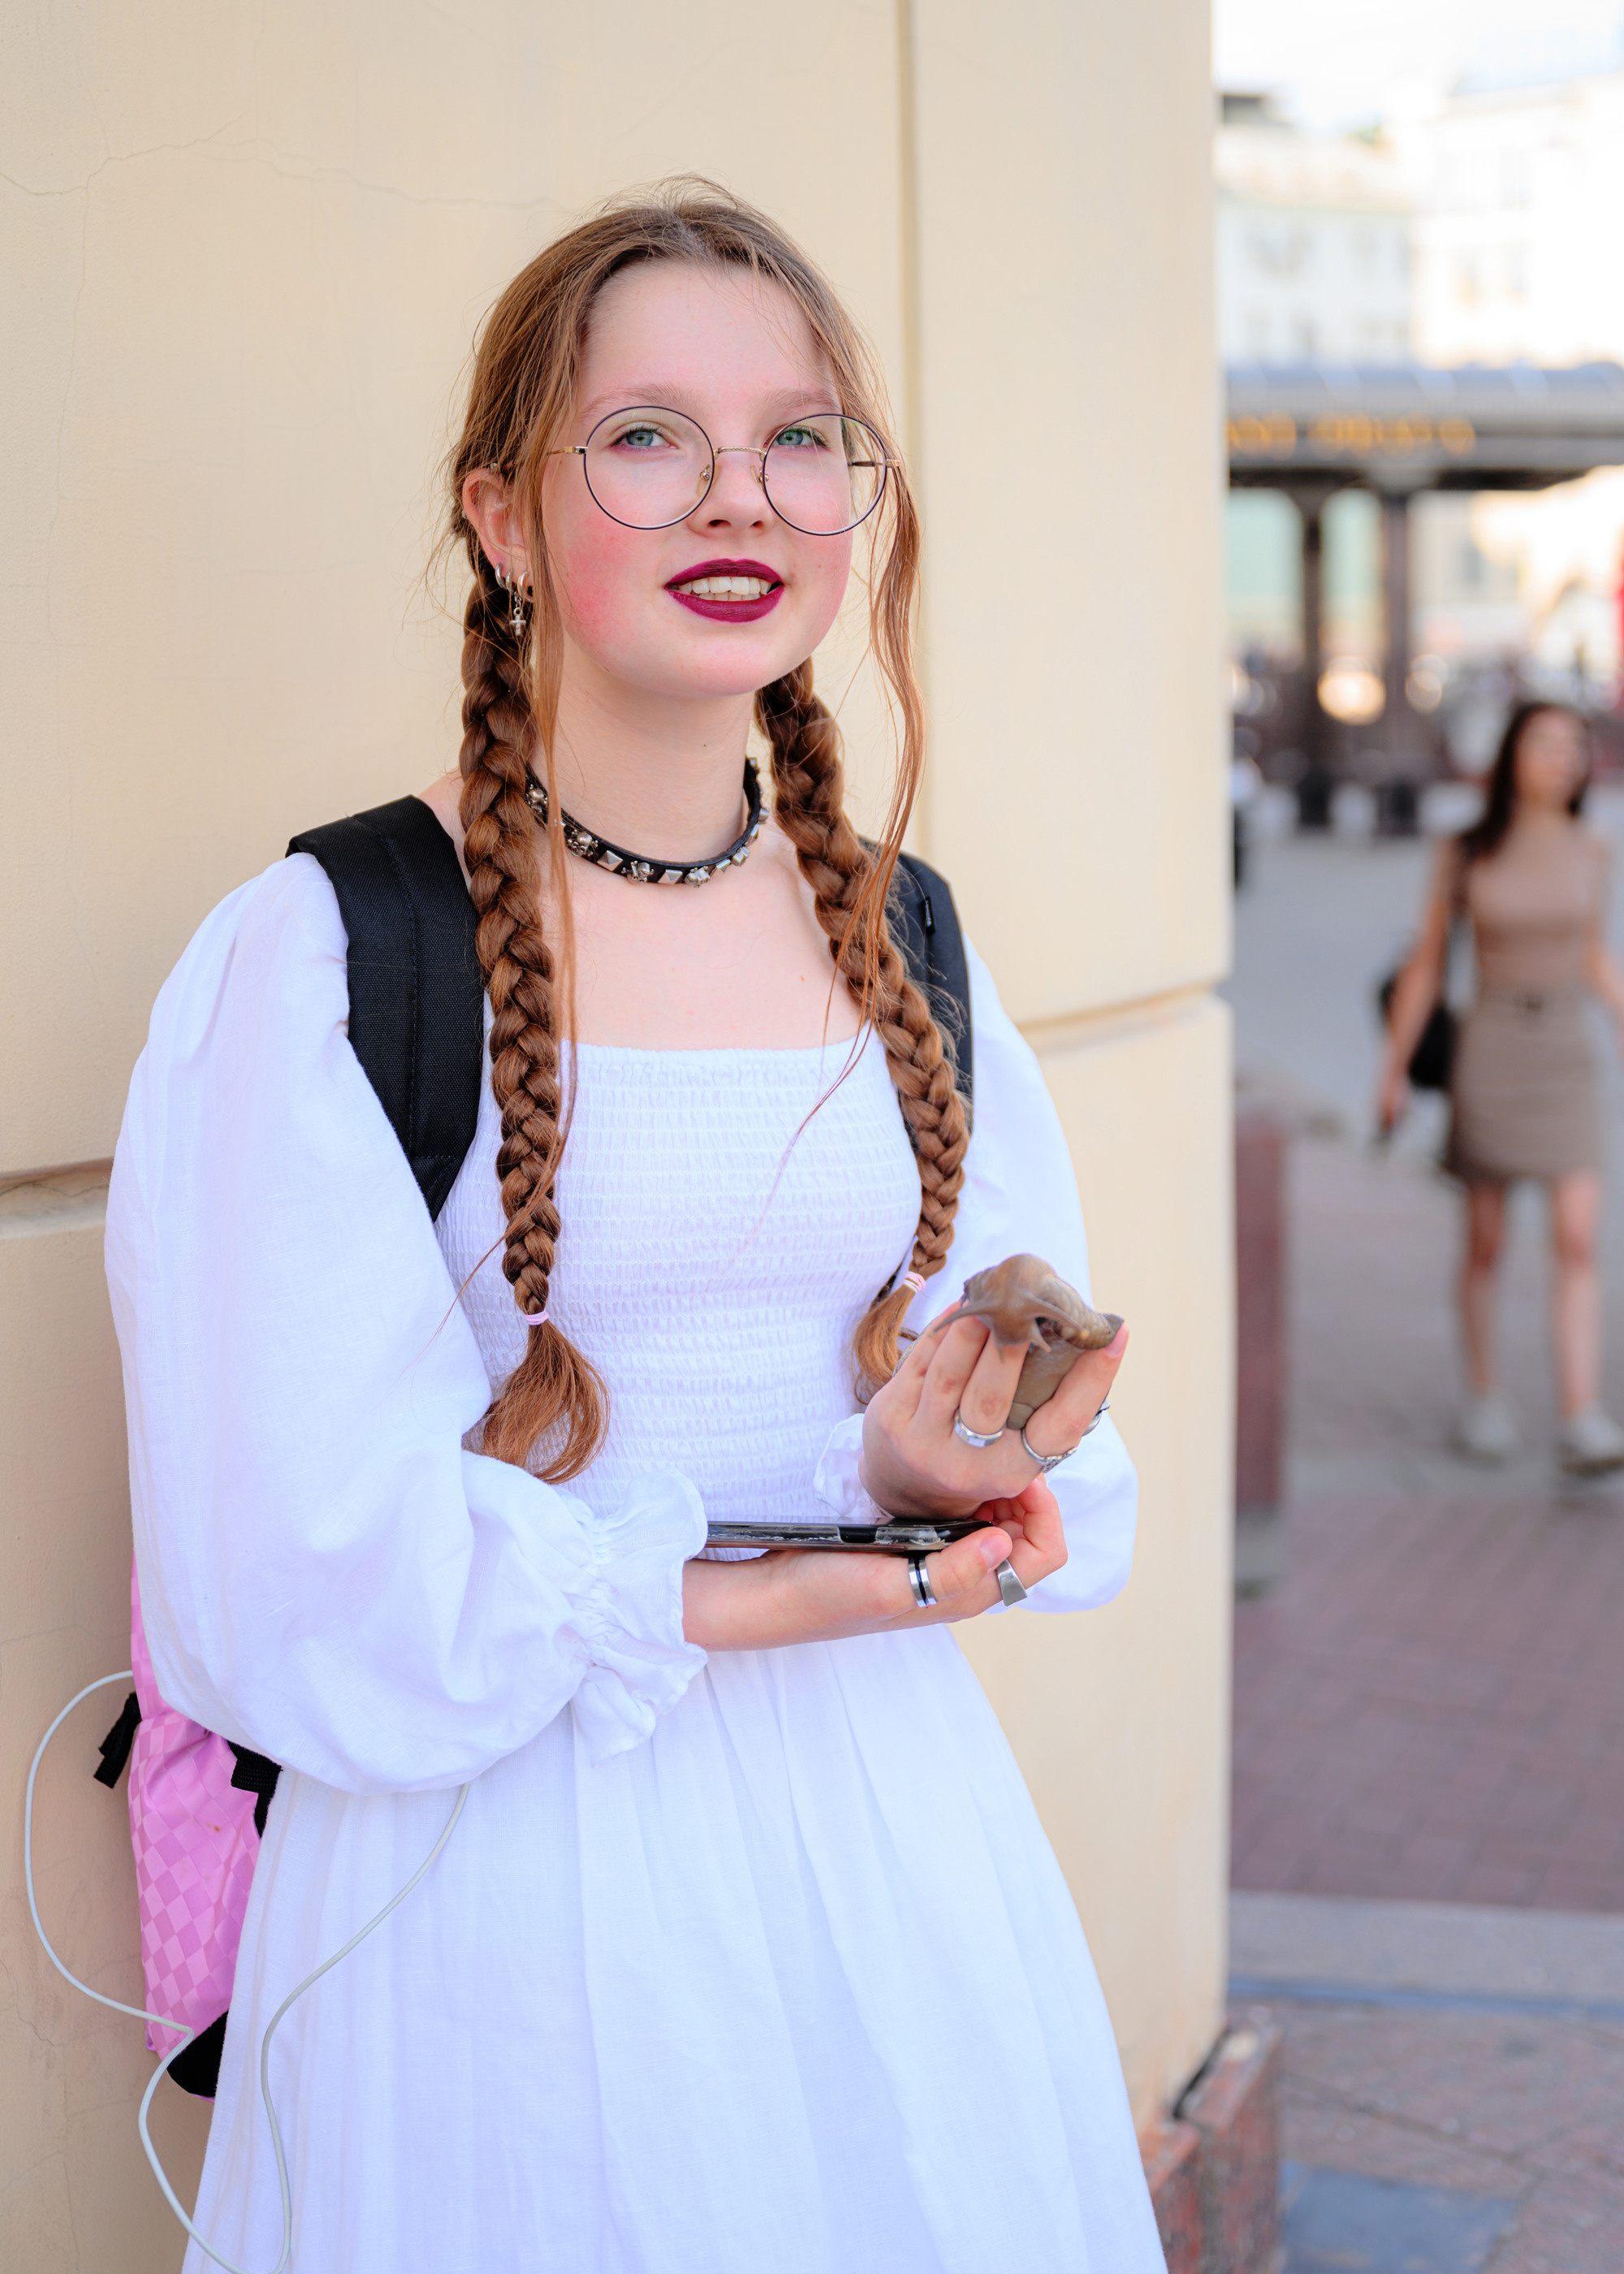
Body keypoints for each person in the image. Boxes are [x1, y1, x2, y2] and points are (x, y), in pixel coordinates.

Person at [105, 186, 1166, 2271]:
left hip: (883, 1848)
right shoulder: (332, 950)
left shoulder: (908, 936)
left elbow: (989, 1431)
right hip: (493, 1873)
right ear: (498, 517)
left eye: (796, 437)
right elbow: (290, 1545)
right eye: (647, 434)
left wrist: (933, 1463)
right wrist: (730, 1605)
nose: (735, 493)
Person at [1380, 700, 1624, 1474]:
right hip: (1491, 1051)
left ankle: (1582, 1416)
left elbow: (1590, 952)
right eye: (1547, 743)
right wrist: (1392, 1071)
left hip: (1564, 1053)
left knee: (1579, 1238)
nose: (1564, 757)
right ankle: (1485, 1397)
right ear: (1512, 751)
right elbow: (1425, 966)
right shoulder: (1465, 850)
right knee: (1486, 1242)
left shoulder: (1593, 849)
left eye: (1574, 746)